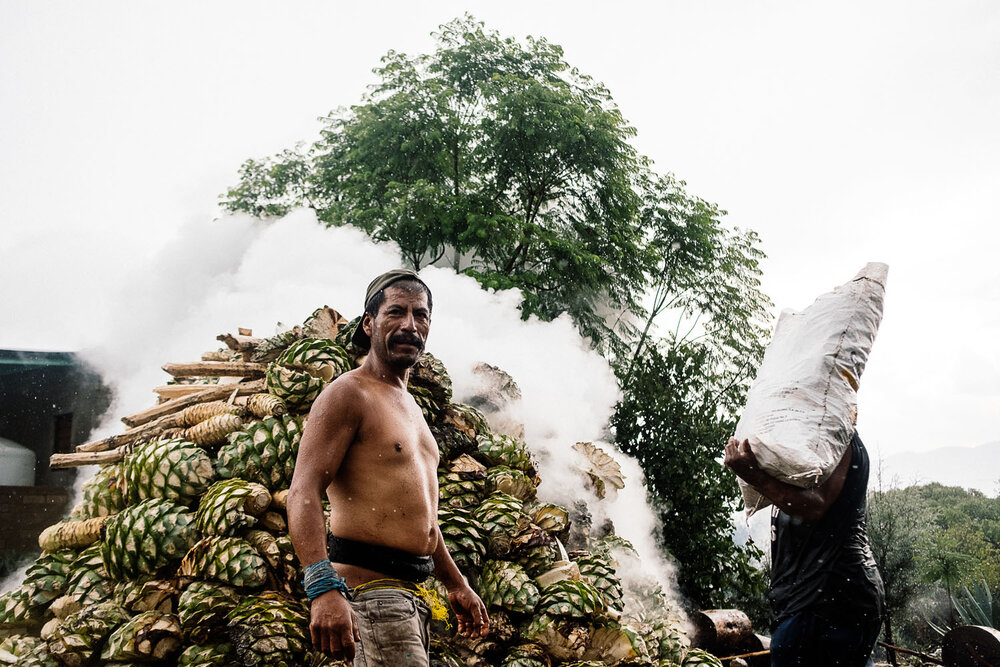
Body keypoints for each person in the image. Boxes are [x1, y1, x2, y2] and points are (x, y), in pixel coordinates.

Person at [287, 269, 489, 666]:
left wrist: (455, 582)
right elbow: (303, 491)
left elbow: (421, 519)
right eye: (396, 312)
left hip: (407, 597)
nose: (410, 325)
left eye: (421, 315)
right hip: (371, 596)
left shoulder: (409, 405)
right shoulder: (349, 393)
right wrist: (322, 587)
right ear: (369, 323)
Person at [725, 432, 884, 667]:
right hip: (816, 603)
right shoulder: (809, 447)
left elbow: (815, 505)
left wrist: (755, 476)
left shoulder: (838, 440)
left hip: (826, 602)